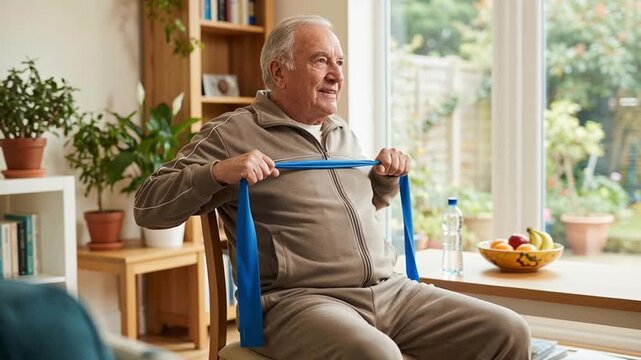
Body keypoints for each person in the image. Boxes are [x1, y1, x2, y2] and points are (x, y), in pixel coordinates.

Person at [134, 15, 530, 360]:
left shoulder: (339, 131)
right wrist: (218, 172)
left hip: (390, 291)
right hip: (298, 303)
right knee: (375, 355)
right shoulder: (232, 132)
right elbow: (148, 206)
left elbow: (358, 205)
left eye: (339, 62)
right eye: (321, 61)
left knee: (508, 331)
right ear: (278, 72)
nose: (337, 75)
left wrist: (383, 180)